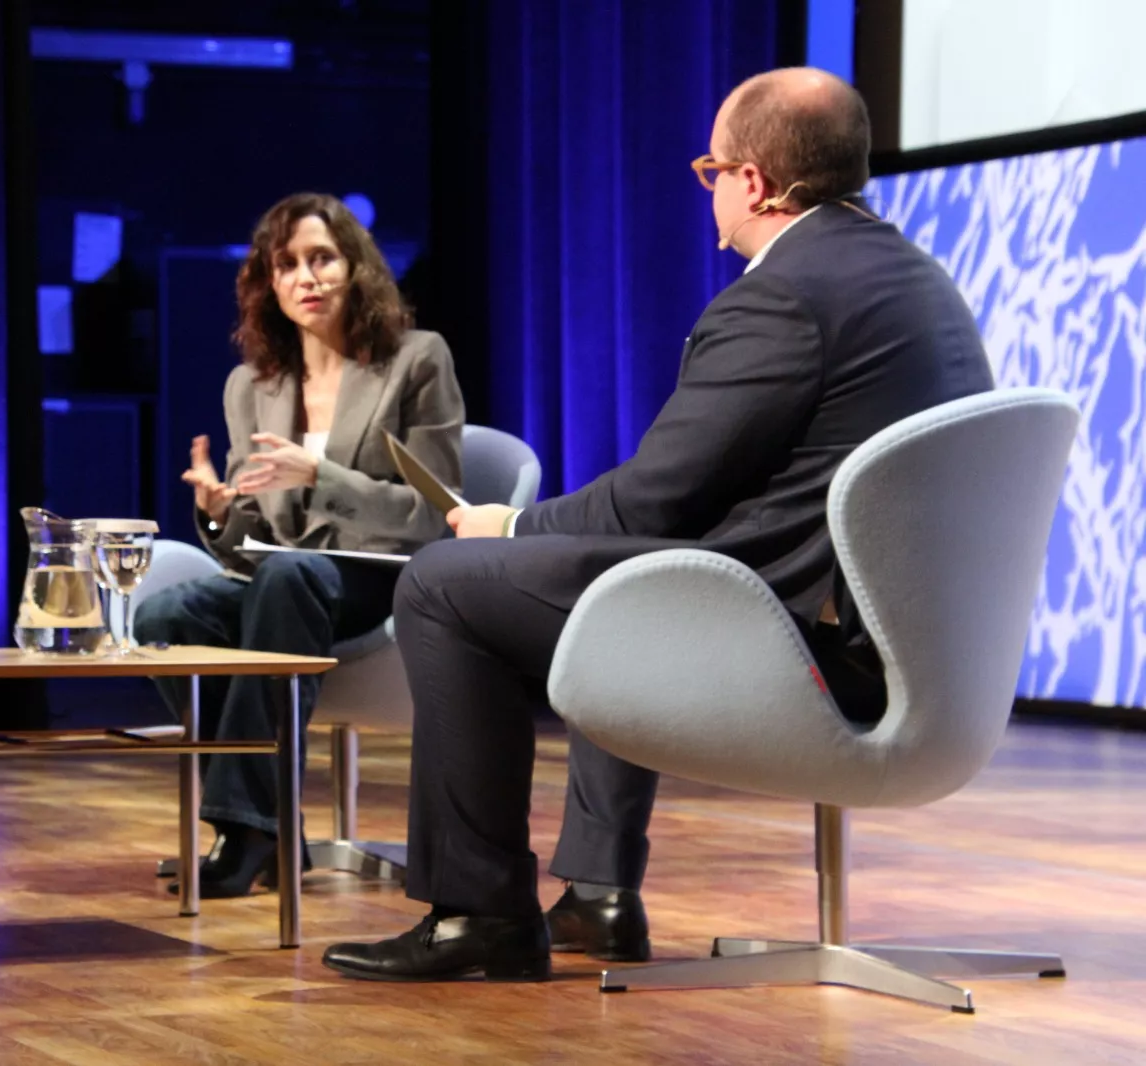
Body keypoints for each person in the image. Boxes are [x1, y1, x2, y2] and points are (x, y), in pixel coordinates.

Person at [321, 67, 996, 982]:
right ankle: (598, 897)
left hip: (806, 653)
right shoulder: (916, 278)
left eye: (709, 170)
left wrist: (509, 529)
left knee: (446, 584)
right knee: (632, 573)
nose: (708, 189)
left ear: (753, 181)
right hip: (917, 653)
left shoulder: (783, 296)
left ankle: (479, 913)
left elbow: (654, 499)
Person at [135, 192, 465, 898]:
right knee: (164, 618)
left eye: (322, 259)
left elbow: (432, 513)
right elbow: (250, 542)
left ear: (356, 267)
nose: (306, 277)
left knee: (288, 579)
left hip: (378, 578)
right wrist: (222, 513)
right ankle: (272, 826)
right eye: (287, 264)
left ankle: (247, 830)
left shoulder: (415, 360)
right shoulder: (252, 386)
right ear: (269, 283)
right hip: (287, 579)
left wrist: (322, 473)